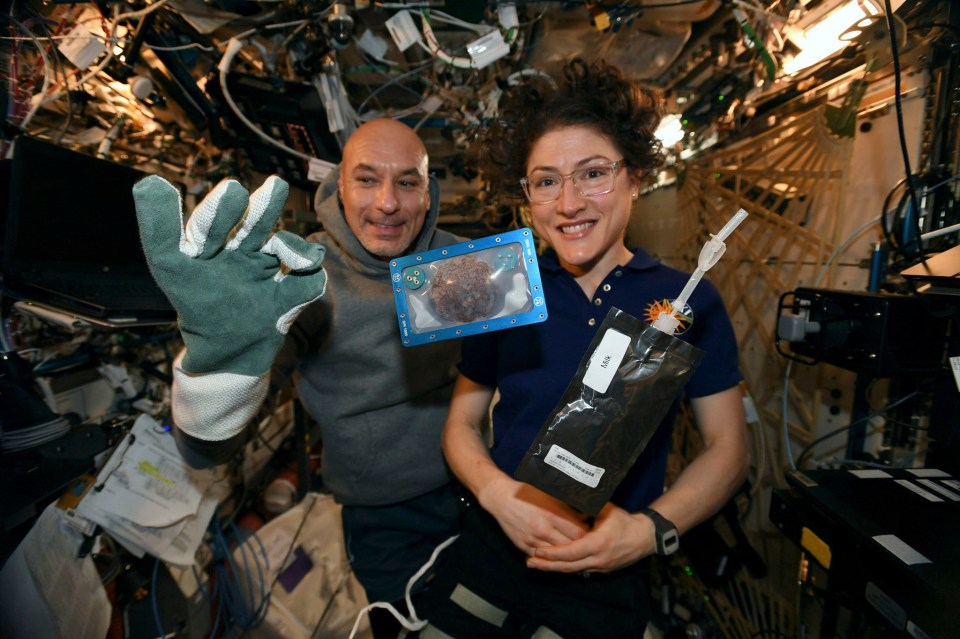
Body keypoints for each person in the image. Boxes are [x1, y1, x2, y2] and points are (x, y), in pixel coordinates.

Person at [415, 58, 750, 638]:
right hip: (494, 548)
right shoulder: (502, 287)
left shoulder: (685, 297)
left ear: (636, 177)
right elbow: (460, 425)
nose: (568, 203)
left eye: (593, 173)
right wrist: (498, 495)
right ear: (528, 195)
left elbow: (728, 449)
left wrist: (649, 531)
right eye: (546, 181)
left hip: (608, 568)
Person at [133, 118, 465, 639]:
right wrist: (221, 362)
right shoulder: (300, 276)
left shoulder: (460, 261)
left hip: (484, 486)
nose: (387, 203)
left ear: (428, 194)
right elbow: (205, 454)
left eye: (407, 181)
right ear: (336, 188)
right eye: (366, 179)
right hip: (384, 517)